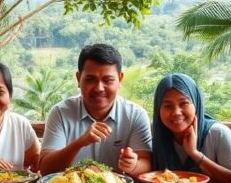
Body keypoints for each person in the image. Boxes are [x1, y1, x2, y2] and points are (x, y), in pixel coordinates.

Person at [39, 43, 152, 175]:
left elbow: (146, 162)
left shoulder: (136, 115)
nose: (99, 88)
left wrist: (133, 165)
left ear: (120, 79)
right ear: (78, 78)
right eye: (90, 79)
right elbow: (46, 168)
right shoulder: (60, 113)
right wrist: (79, 143)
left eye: (108, 80)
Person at [151, 73, 231, 183]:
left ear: (196, 103)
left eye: (184, 103)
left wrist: (195, 153)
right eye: (168, 106)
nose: (176, 112)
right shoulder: (155, 134)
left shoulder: (218, 133)